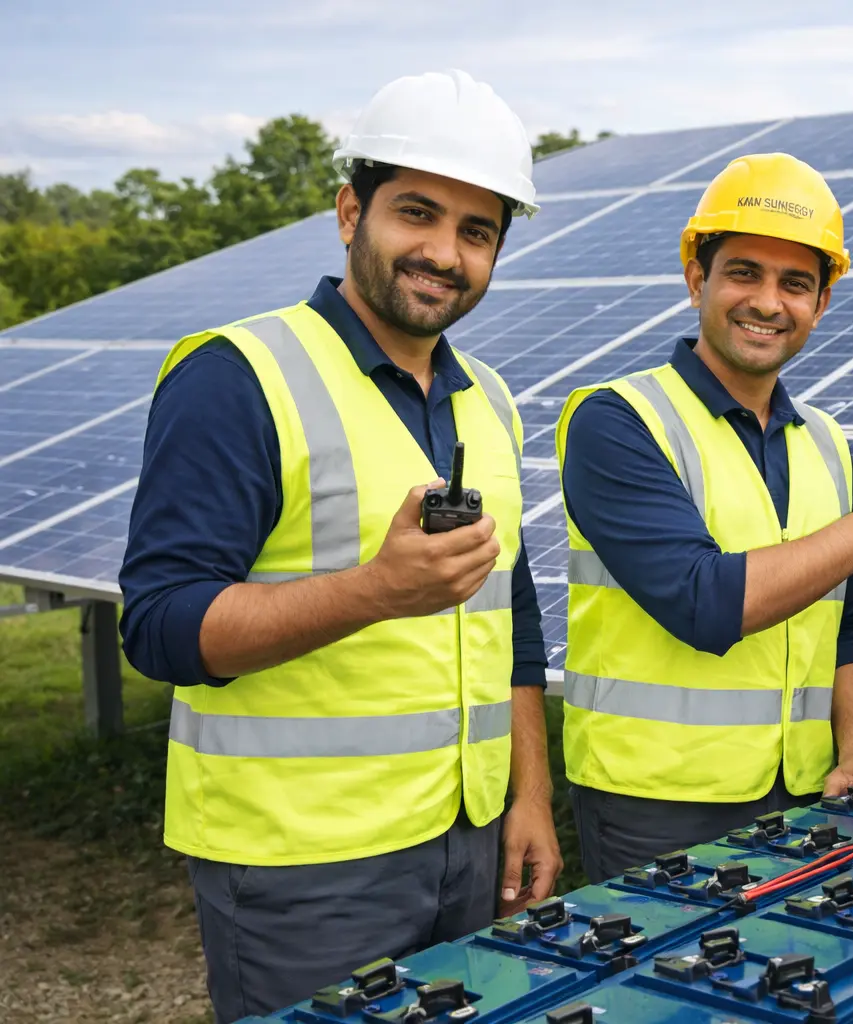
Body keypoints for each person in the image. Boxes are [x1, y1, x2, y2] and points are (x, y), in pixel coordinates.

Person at [118, 70, 562, 1023]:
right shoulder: (237, 377)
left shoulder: (490, 400)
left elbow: (509, 619)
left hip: (471, 840)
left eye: (477, 232)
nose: (444, 253)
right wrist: (373, 591)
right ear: (350, 212)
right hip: (301, 870)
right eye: (417, 214)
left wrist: (530, 798)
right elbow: (159, 628)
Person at [553, 152, 853, 882]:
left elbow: (846, 618)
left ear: (821, 304)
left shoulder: (823, 440)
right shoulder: (618, 422)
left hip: (805, 793)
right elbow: (703, 602)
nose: (768, 302)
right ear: (698, 279)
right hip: (656, 804)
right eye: (744, 273)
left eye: (796, 284)